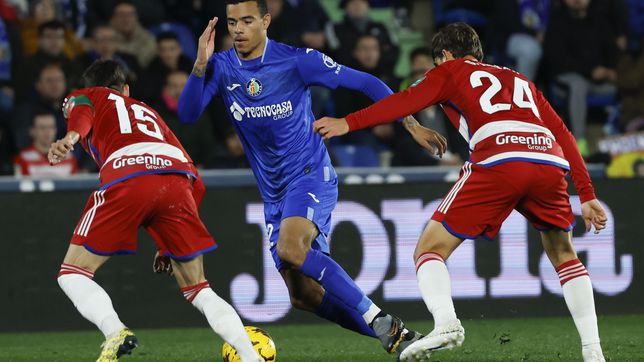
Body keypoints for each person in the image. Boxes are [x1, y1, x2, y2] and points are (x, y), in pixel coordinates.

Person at [314, 23, 608, 362]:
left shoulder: (450, 70)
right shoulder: (520, 79)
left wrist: (347, 122)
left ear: (445, 55)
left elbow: (402, 101)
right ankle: (593, 352)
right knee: (563, 253)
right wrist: (586, 194)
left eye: (437, 62)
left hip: (500, 160)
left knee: (429, 249)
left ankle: (447, 324)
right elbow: (563, 133)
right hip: (547, 160)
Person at [178, 0, 446, 356]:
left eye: (247, 21)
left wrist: (409, 123)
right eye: (232, 23)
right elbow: (188, 112)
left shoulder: (297, 59)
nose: (238, 30)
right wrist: (199, 66)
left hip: (309, 174)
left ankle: (380, 319)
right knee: (303, 295)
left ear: (266, 21)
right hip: (273, 192)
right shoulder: (223, 67)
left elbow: (366, 81)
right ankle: (400, 339)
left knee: (291, 248)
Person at [48, 59, 262, 362]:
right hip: (177, 181)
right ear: (126, 89)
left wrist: (70, 138)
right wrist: (166, 242)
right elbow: (195, 181)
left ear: (91, 87)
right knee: (199, 289)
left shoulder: (88, 96)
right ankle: (249, 356)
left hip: (127, 176)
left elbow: (81, 114)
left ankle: (114, 332)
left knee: (72, 273)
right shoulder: (150, 113)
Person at [14, 111, 77, 177]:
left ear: (55, 130)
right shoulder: (23, 158)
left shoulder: (69, 157)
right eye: (42, 128)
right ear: (32, 131)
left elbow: (75, 185)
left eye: (51, 127)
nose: (47, 132)